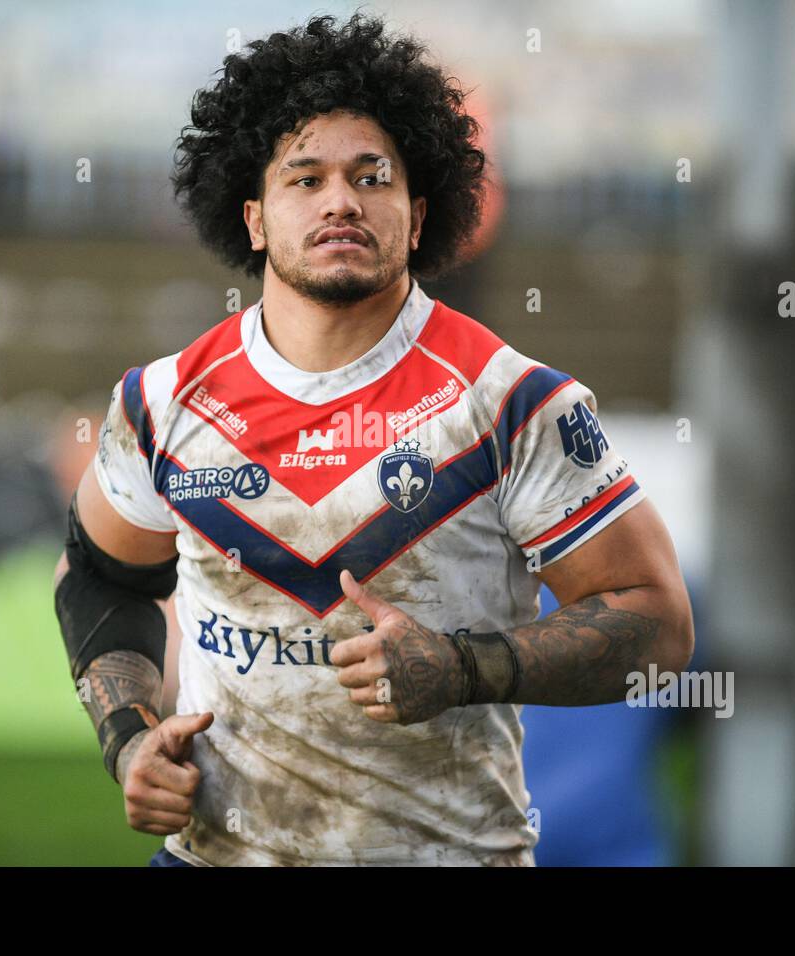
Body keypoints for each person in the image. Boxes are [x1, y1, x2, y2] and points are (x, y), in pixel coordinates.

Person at [52, 12, 693, 867]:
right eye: (304, 178)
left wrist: (464, 669)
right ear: (252, 217)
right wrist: (129, 740)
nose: (340, 200)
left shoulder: (514, 403)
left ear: (419, 214)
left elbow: (659, 625)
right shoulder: (162, 404)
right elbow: (100, 578)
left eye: (372, 176)